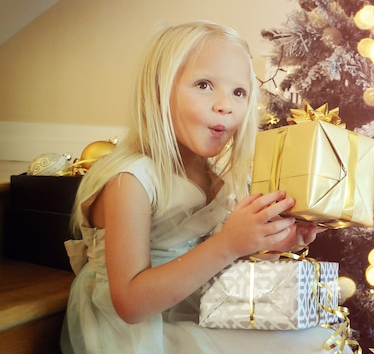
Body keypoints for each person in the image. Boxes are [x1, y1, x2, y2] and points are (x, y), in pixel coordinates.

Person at [61, 21, 350, 354]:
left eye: (239, 92)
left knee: (320, 338)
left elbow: (208, 264)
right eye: (204, 85)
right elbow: (131, 304)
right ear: (158, 91)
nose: (225, 105)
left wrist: (264, 243)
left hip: (193, 309)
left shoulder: (216, 177)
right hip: (135, 333)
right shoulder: (131, 180)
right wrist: (228, 244)